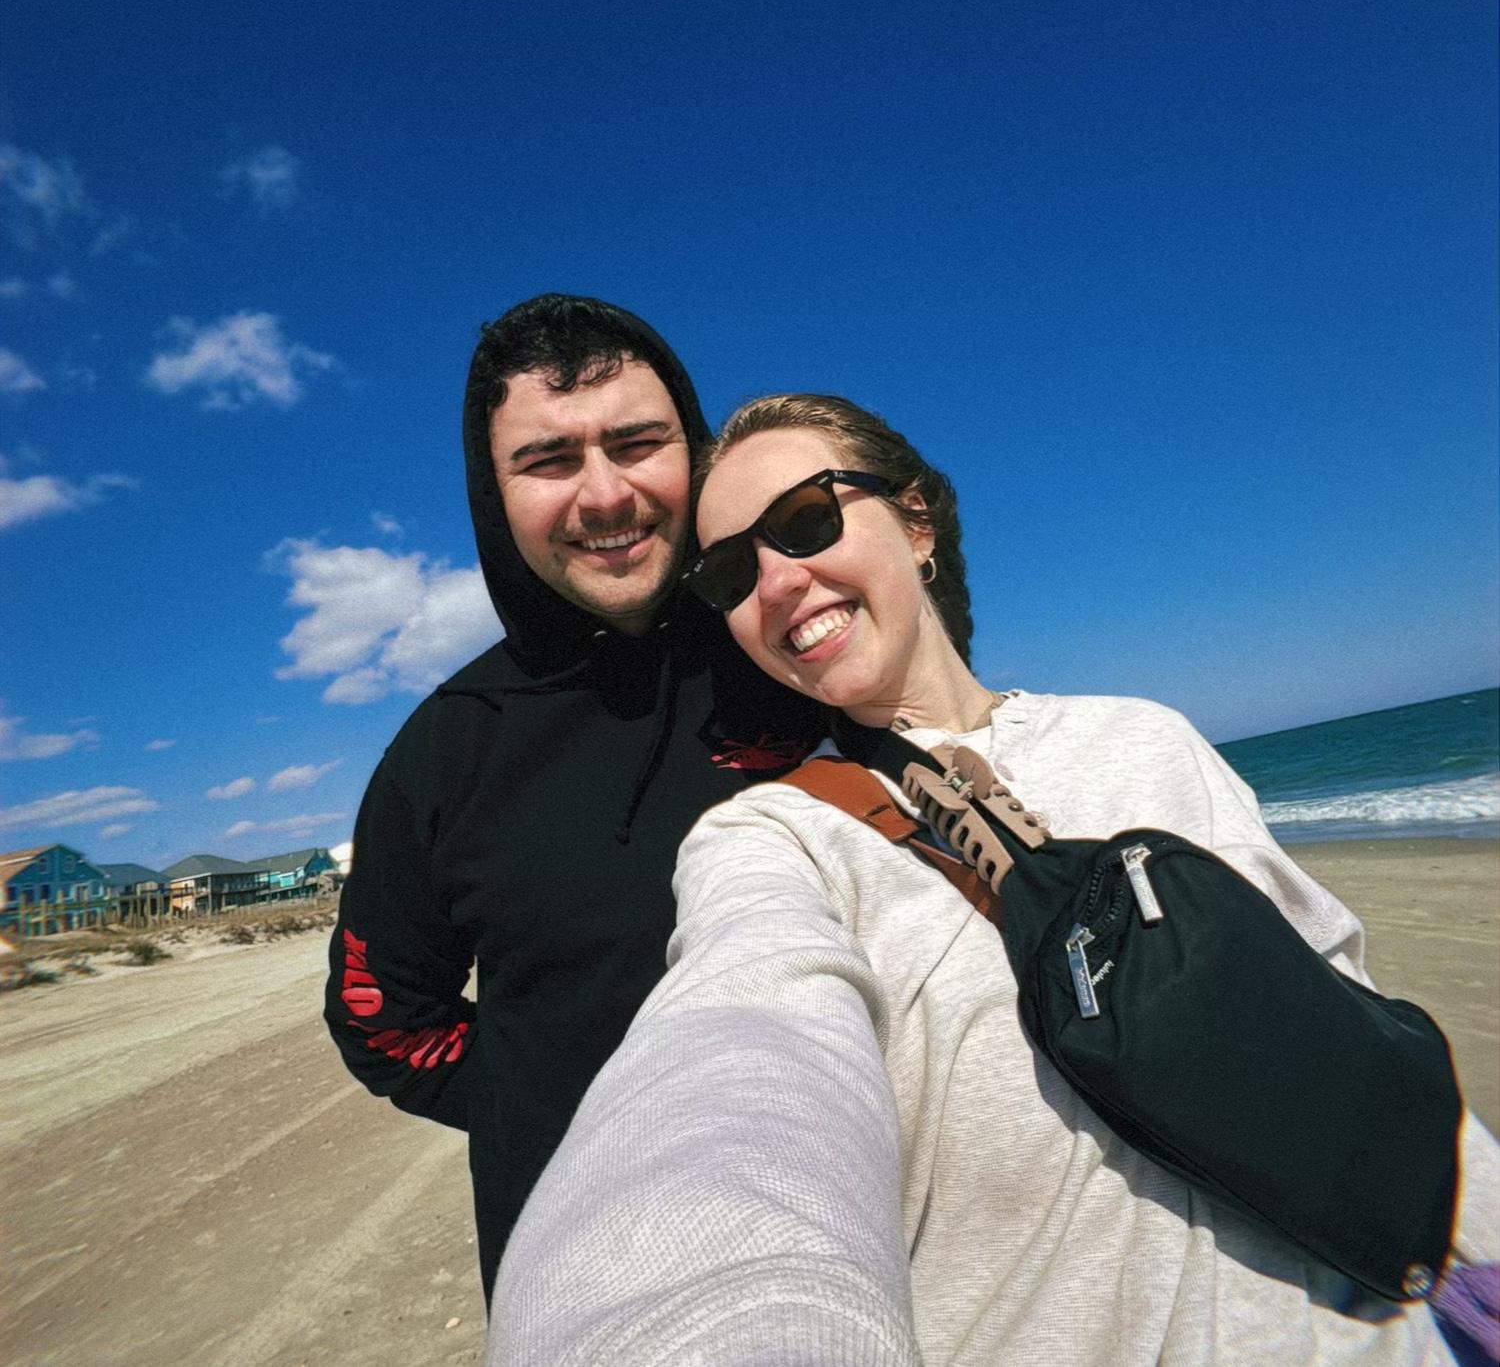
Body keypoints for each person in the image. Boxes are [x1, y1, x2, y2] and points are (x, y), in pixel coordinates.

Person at [490, 394, 1500, 1365]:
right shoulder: (773, 837)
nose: (777, 582)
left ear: (916, 519)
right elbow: (735, 1055)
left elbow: (1343, 1001)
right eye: (727, 574)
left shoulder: (1147, 738)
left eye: (803, 522)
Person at [322, 300, 817, 1302]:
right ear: (492, 493)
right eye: (548, 460)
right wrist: (565, 1113)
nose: (604, 493)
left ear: (696, 452)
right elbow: (380, 1024)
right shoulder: (445, 755)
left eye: (638, 443)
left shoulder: (796, 647)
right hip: (592, 1281)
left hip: (877, 1237)